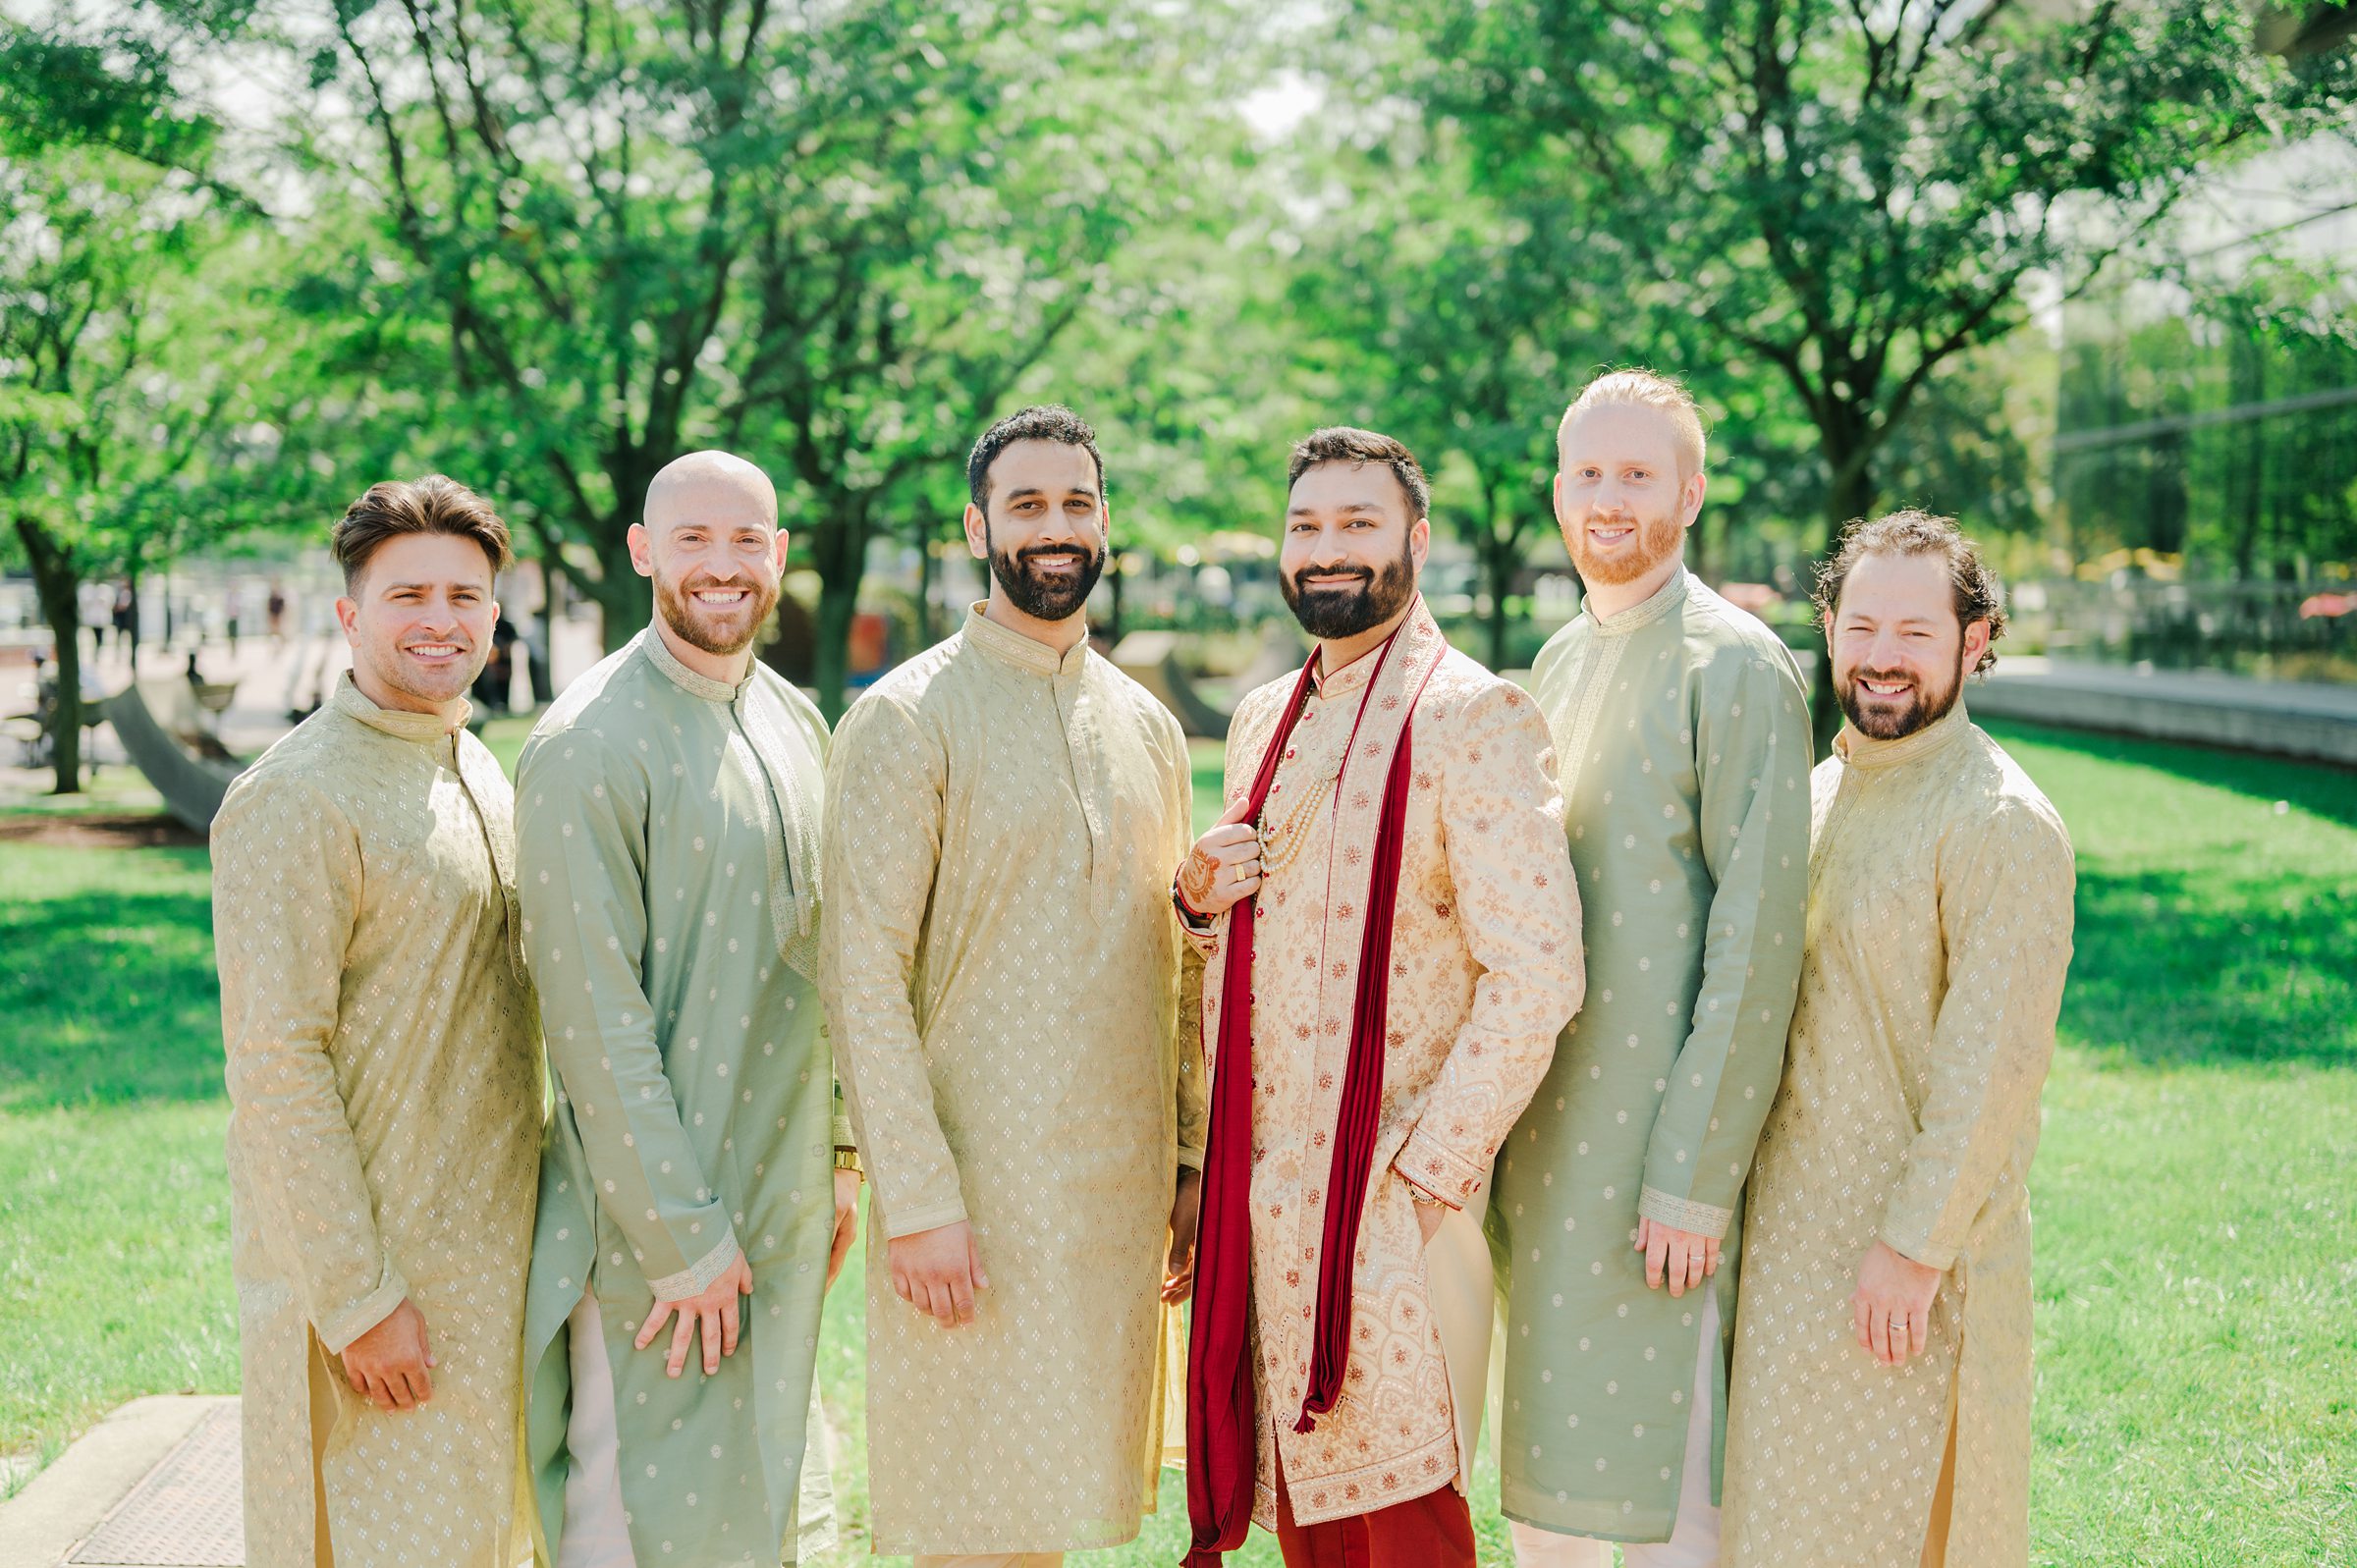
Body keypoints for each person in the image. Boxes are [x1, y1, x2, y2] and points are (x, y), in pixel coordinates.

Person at [1178, 427, 1584, 1568]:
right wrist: (1201, 903)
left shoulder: (1473, 716)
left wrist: (1423, 1178)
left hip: (1396, 1204)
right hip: (1272, 1202)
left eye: (1357, 524)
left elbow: (1540, 968)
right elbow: (1262, 937)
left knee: (1406, 1528)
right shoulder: (1265, 716)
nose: (1326, 551)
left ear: (1415, 539)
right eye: (1305, 527)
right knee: (1314, 1527)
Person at [820, 405, 1206, 1567]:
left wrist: (1188, 1160)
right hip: (973, 1201)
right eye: (1027, 504)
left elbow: (1176, 959)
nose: (1054, 527)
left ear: (1106, 528)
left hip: (1114, 1201)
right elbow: (861, 975)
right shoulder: (904, 716)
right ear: (979, 526)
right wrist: (920, 1196)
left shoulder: (1148, 725)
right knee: (971, 1519)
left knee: (1061, 1521)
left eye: (1077, 503)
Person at [515, 450, 859, 1568]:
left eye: (746, 540)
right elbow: (590, 1016)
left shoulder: (795, 720)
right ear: (643, 551)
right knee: (636, 1523)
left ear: (780, 557)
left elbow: (833, 958)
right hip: (657, 1240)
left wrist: (843, 1157)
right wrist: (679, 1234)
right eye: (693, 540)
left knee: (763, 1511)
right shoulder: (588, 743)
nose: (722, 566)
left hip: (783, 1198)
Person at [1493, 369, 1812, 1568]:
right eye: (1588, 472)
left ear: (1691, 489)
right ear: (1558, 488)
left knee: (1669, 1503)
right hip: (1544, 1153)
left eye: (1638, 474)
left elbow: (1757, 941)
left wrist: (1691, 1175)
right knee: (1548, 1496)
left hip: (1655, 1167)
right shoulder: (1558, 657)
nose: (1608, 499)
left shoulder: (1734, 666)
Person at [1723, 512, 2075, 1568]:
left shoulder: (2000, 819)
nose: (1882, 656)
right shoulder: (1823, 791)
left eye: (1916, 633)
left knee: (1897, 1531)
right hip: (1788, 1249)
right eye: (1862, 624)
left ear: (1976, 640)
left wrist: (1913, 1249)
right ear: (1827, 628)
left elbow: (1995, 1068)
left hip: (1905, 1266)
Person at [211, 476, 540, 1568]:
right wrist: (358, 1298)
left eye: (465, 594)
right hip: (381, 1289)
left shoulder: (478, 766)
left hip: (496, 1270)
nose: (440, 619)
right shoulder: (294, 798)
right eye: (408, 595)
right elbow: (274, 1064)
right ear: (350, 615)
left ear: (497, 614)